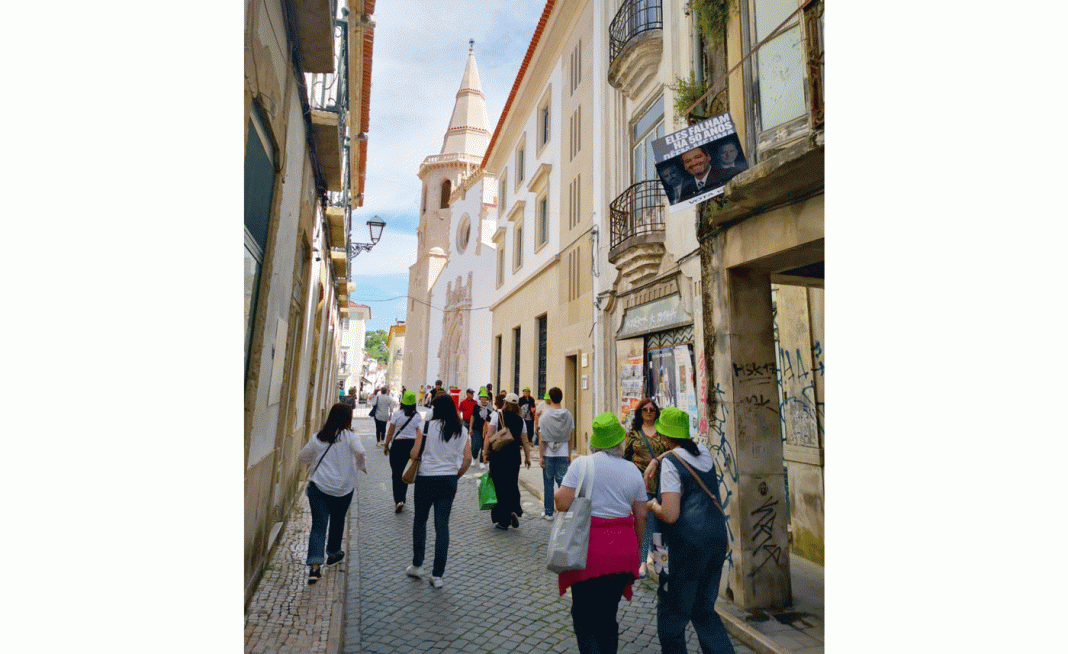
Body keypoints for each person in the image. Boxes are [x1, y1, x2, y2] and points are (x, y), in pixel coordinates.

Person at [554, 412, 647, 654]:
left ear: (594, 441)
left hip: (589, 551)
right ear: (620, 441)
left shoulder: (581, 465)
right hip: (622, 551)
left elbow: (561, 503)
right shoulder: (633, 471)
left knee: (584, 616)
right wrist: (636, 551)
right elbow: (642, 516)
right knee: (608, 616)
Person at [645, 407, 734, 654]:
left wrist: (653, 505)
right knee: (704, 611)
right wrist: (658, 458)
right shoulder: (703, 452)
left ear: (663, 436)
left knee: (671, 616)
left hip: (678, 548)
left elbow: (670, 514)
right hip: (715, 540)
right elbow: (679, 454)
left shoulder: (672, 465)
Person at [406, 393, 472, 588]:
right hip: (448, 480)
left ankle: (417, 565)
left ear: (435, 409)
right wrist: (456, 474)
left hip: (426, 479)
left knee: (420, 521)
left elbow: (415, 453)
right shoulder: (461, 429)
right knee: (442, 526)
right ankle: (437, 575)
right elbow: (467, 459)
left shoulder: (426, 427)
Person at [298, 403, 367, 585]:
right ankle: (334, 553)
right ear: (348, 418)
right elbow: (360, 451)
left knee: (318, 526)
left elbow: (302, 457)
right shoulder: (351, 437)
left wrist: (314, 461)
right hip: (343, 489)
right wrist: (361, 465)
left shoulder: (318, 437)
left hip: (319, 487)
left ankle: (314, 567)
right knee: (337, 521)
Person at [623, 398, 673, 578]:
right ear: (640, 412)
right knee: (643, 523)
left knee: (660, 525)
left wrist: (657, 461)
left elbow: (673, 452)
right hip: (640, 484)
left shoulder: (662, 432)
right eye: (645, 409)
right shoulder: (634, 433)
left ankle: (661, 563)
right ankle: (642, 562)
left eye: (652, 409)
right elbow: (626, 457)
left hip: (662, 483)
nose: (649, 412)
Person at [485, 392, 532, 530]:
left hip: (497, 455)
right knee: (511, 484)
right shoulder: (521, 420)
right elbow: (525, 441)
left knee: (499, 486)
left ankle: (503, 521)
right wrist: (528, 458)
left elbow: (489, 435)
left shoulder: (496, 415)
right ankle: (513, 509)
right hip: (513, 457)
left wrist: (485, 452)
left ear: (505, 403)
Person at [383, 390, 424, 513]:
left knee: (396, 473)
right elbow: (419, 434)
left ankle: (398, 500)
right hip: (411, 446)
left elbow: (390, 431)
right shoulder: (417, 417)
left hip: (397, 445)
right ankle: (402, 497)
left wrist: (386, 444)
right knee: (406, 472)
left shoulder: (397, 414)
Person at [537, 387, 574, 521]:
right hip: (563, 453)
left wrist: (541, 456)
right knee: (563, 484)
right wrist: (569, 454)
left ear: (550, 399)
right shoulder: (569, 415)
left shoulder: (544, 417)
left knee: (548, 484)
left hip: (548, 454)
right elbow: (571, 436)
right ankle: (563, 510)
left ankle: (548, 512)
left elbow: (542, 440)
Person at [469, 387, 492, 470]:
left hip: (486, 429)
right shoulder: (476, 406)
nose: (484, 399)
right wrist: (470, 428)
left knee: (484, 445)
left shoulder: (490, 408)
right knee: (476, 445)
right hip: (476, 428)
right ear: (480, 398)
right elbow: (473, 417)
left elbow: (491, 418)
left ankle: (482, 461)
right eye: (482, 398)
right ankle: (474, 457)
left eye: (485, 398)